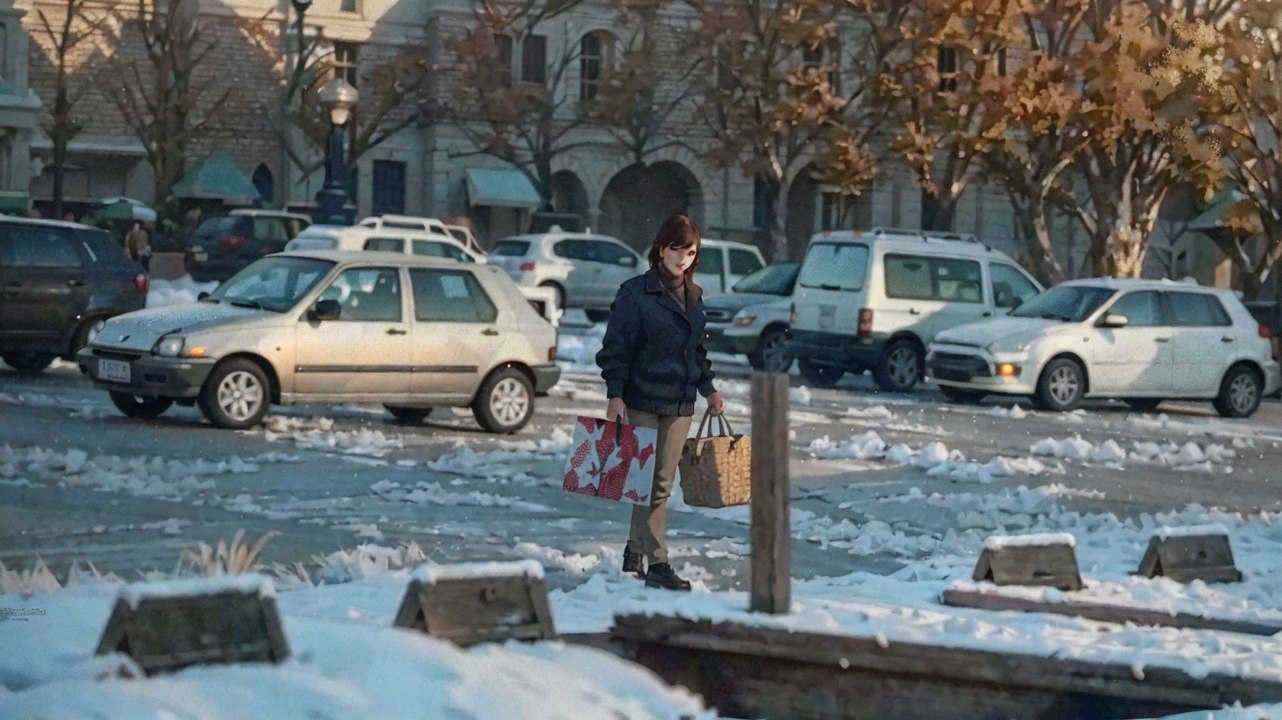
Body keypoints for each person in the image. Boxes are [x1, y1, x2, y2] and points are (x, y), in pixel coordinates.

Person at [595, 213, 725, 592]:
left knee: (659, 484)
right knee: (644, 482)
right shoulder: (635, 293)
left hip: (681, 401)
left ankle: (636, 551)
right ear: (660, 249)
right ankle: (658, 563)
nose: (683, 258)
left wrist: (709, 389)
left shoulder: (695, 297)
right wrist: (615, 395)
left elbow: (697, 352)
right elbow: (615, 349)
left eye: (691, 252)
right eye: (677, 249)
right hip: (640, 397)